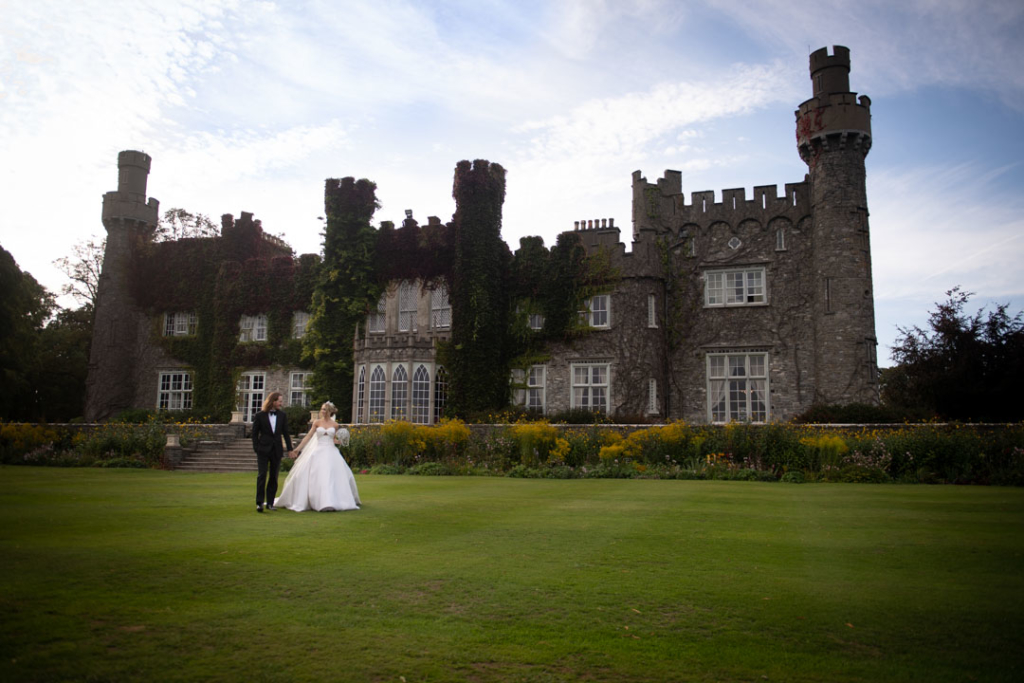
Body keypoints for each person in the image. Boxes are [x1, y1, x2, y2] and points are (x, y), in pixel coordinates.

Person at [274, 401, 361, 512]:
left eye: (324, 409)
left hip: (331, 451)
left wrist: (341, 441)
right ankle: (317, 500)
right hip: (318, 450)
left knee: (331, 476)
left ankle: (330, 501)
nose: (322, 411)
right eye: (322, 409)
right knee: (314, 475)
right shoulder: (317, 422)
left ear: (330, 411)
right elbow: (309, 436)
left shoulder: (335, 425)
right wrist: (297, 449)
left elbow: (333, 439)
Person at [252, 392, 294, 513]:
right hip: (263, 449)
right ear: (273, 401)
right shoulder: (260, 415)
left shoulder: (282, 415)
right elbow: (254, 433)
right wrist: (256, 447)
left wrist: (290, 449)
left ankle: (270, 503)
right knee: (262, 475)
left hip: (277, 449)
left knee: (274, 477)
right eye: (280, 401)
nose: (281, 403)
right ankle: (259, 503)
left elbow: (286, 433)